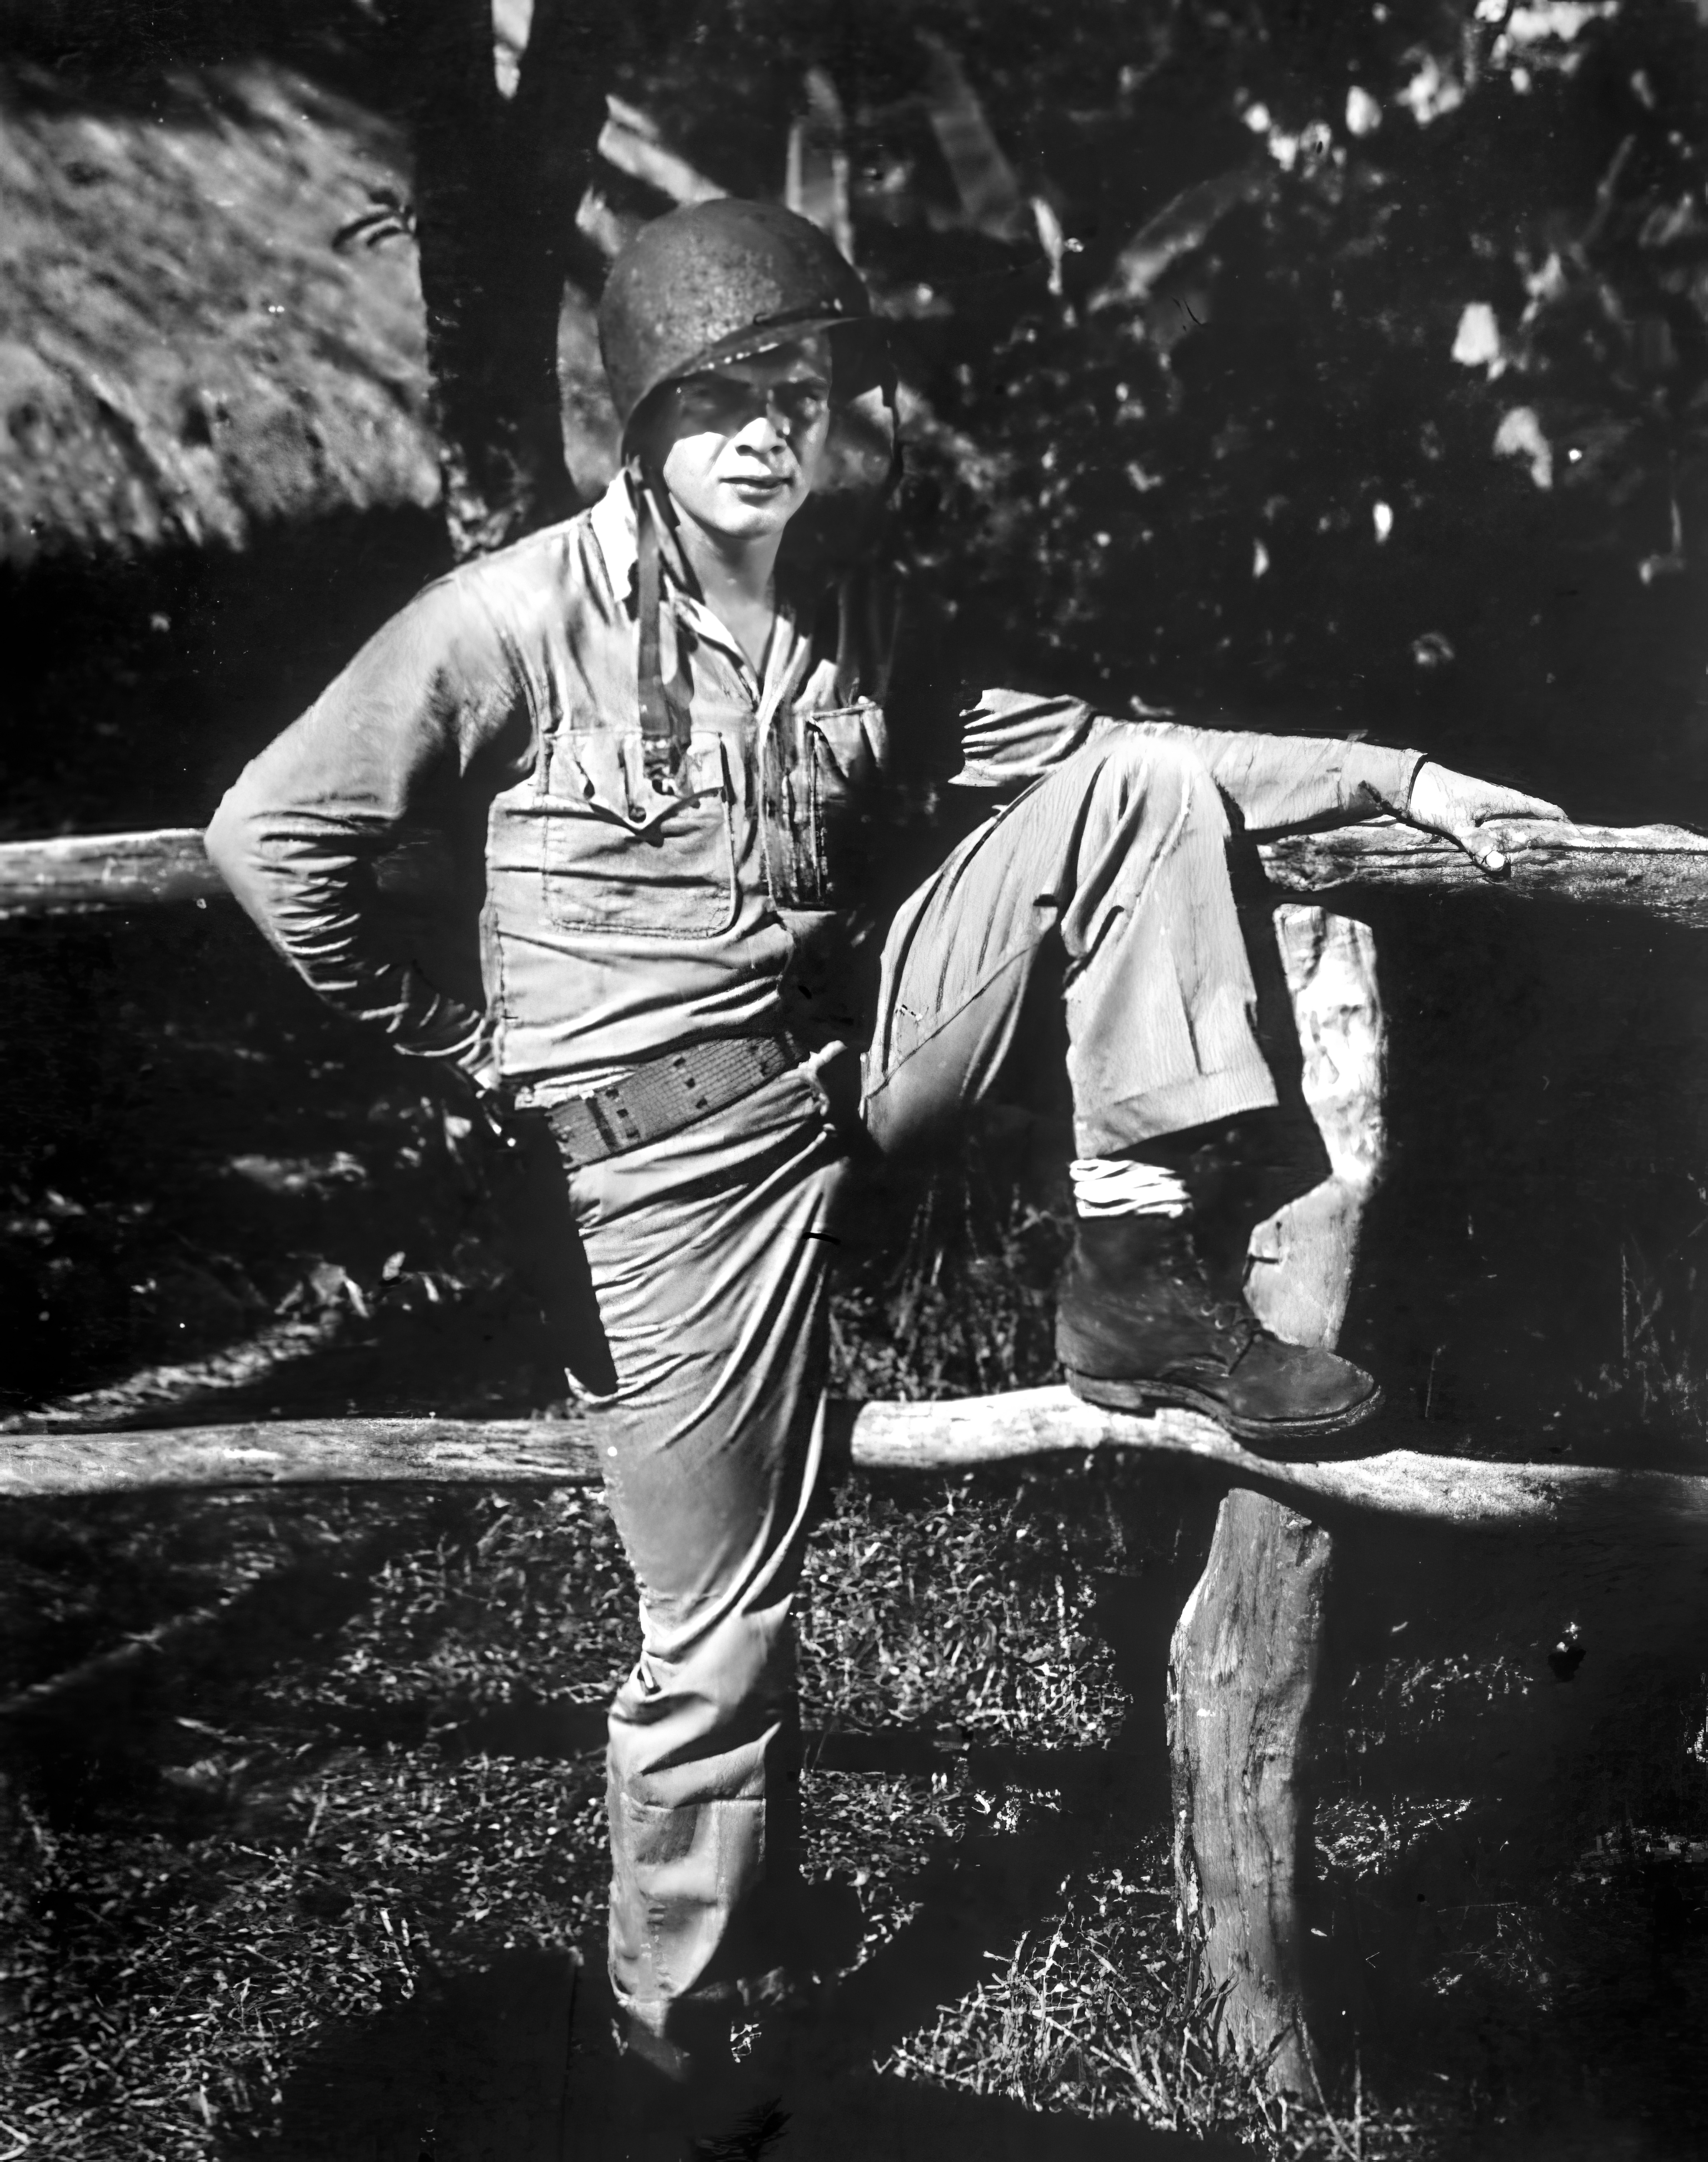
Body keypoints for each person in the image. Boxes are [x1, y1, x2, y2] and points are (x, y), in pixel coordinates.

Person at [206, 199, 1565, 2144]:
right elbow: (275, 837)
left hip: (843, 1077)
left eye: (802, 389)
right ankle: (675, 2069)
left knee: (1134, 791)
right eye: (723, 396)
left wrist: (1404, 778)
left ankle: (1124, 1270)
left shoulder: (861, 616)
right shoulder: (506, 623)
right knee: (720, 1632)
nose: (771, 427)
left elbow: (1115, 744)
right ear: (641, 424)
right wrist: (464, 1042)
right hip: (664, 1183)